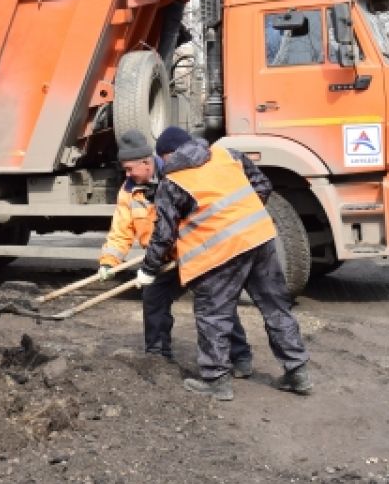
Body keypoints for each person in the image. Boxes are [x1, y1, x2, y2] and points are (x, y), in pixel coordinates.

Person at [135, 126, 312, 401]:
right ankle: (297, 371)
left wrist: (148, 269)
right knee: (276, 307)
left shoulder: (174, 180)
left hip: (220, 253)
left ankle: (217, 380)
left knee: (213, 314)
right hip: (259, 239)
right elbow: (263, 185)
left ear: (168, 154)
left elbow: (164, 234)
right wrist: (241, 218)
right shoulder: (227, 154)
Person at [97, 130, 253, 376]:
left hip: (195, 252)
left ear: (147, 163)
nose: (127, 175)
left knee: (216, 303)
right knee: (153, 298)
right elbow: (121, 230)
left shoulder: (178, 176)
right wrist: (109, 261)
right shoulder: (129, 191)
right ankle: (157, 356)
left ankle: (240, 356)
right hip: (163, 258)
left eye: (129, 169)